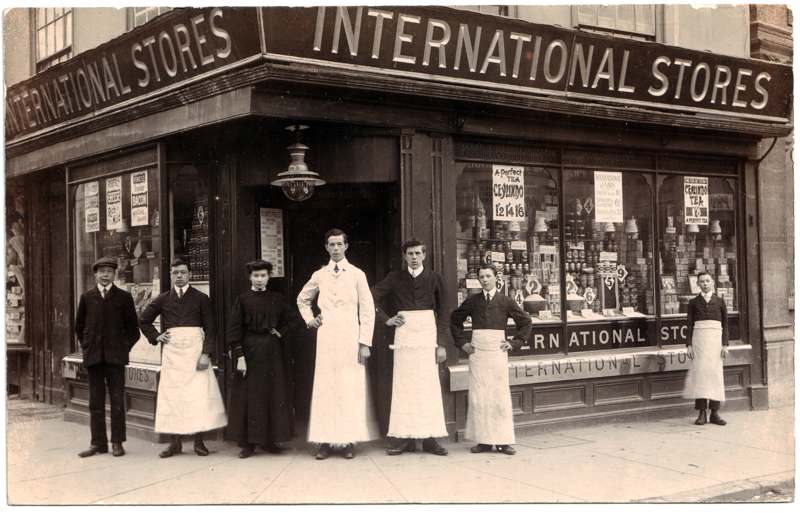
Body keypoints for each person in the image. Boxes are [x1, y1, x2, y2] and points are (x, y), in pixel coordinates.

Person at [297, 228, 379, 459]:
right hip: (326, 338)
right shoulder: (319, 274)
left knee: (349, 387)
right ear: (326, 247)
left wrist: (365, 343)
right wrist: (310, 320)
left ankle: (348, 441)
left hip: (350, 337)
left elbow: (367, 309)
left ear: (346, 246)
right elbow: (302, 299)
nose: (335, 248)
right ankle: (324, 441)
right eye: (331, 244)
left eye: (339, 244)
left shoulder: (357, 274)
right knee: (326, 387)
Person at [139, 259, 227, 457]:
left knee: (198, 396)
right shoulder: (163, 299)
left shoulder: (201, 298)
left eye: (183, 272)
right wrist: (156, 336)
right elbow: (144, 320)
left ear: (190, 274)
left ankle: (199, 442)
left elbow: (211, 328)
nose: (179, 276)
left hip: (196, 353)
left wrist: (206, 354)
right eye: (175, 273)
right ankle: (175, 443)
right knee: (173, 397)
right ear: (171, 275)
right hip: (173, 355)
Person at [371, 240, 449, 456]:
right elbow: (369, 297)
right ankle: (404, 438)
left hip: (427, 336)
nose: (414, 257)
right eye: (410, 254)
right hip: (404, 335)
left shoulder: (435, 278)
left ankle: (431, 439)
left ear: (424, 255)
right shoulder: (395, 278)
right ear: (404, 256)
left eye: (417, 253)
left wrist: (441, 344)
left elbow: (444, 312)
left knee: (427, 385)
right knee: (404, 386)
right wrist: (386, 319)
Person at [450, 263, 532, 455]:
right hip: (478, 352)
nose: (485, 280)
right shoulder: (472, 301)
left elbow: (526, 321)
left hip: (497, 351)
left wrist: (515, 342)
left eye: (488, 276)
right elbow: (455, 320)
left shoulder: (505, 301)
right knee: (479, 395)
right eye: (482, 277)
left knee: (498, 394)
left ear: (496, 278)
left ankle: (502, 441)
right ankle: (484, 441)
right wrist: (463, 343)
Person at [227, 260, 302, 458]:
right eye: (256, 276)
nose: (259, 279)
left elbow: (295, 320)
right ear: (250, 277)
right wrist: (240, 356)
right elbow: (234, 329)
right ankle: (249, 444)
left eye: (263, 275)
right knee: (250, 397)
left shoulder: (277, 299)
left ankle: (270, 440)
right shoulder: (242, 300)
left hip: (272, 351)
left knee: (272, 394)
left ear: (268, 277)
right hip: (250, 351)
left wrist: (281, 331)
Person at [74, 257, 141, 458]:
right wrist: (87, 347)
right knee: (95, 402)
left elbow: (133, 330)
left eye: (109, 271)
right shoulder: (87, 297)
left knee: (117, 401)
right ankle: (98, 443)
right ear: (95, 274)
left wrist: (122, 348)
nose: (105, 275)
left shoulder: (123, 298)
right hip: (94, 359)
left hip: (115, 360)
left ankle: (117, 442)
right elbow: (79, 327)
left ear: (114, 274)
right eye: (101, 271)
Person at [683, 271, 729, 426]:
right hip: (699, 343)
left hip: (716, 343)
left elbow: (725, 324)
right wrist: (689, 345)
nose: (705, 284)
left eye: (707, 280)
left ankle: (714, 413)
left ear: (713, 282)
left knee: (715, 375)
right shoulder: (693, 303)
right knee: (701, 375)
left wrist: (725, 344)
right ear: (698, 284)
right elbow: (689, 325)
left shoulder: (720, 302)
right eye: (702, 281)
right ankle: (702, 412)